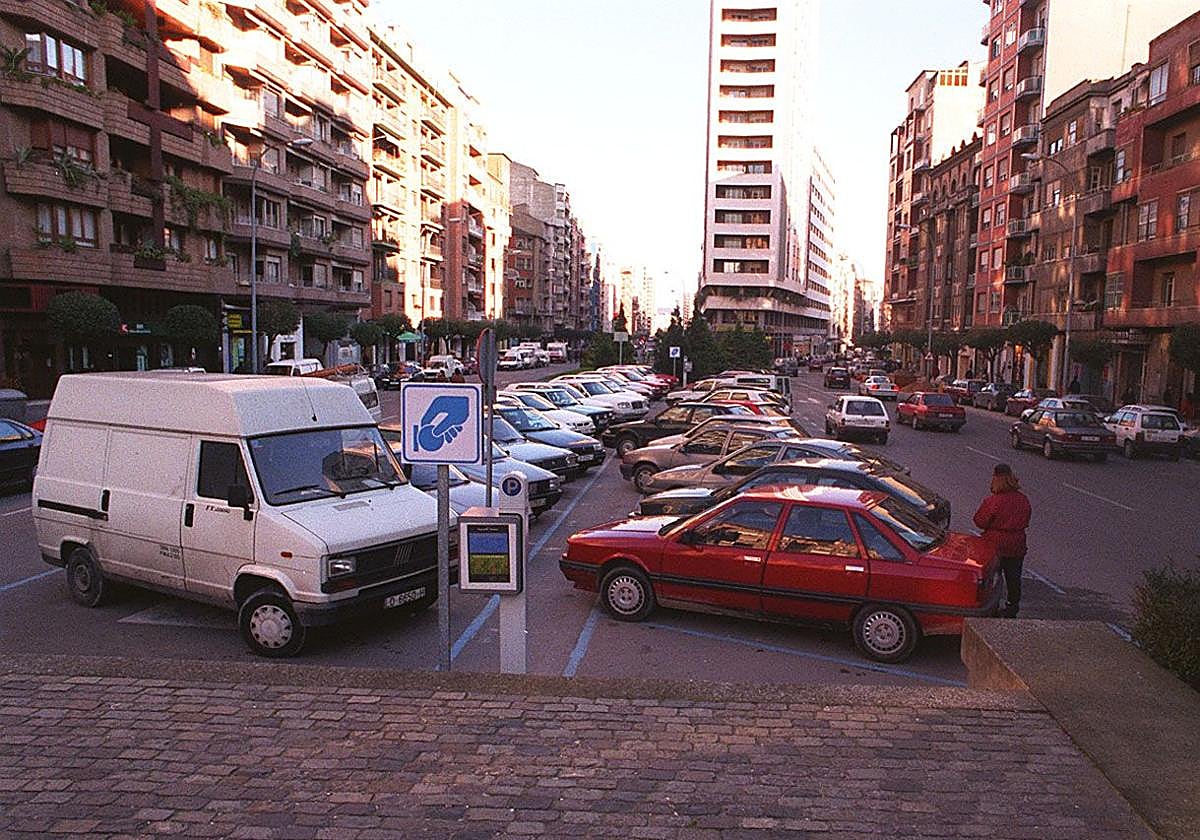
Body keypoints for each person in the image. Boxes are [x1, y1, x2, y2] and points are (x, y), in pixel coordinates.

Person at [973, 463, 1032, 618]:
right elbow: (1027, 517)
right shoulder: (1023, 499)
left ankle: (992, 605)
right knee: (1014, 577)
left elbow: (980, 521)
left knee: (993, 577)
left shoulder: (993, 501)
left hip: (995, 545)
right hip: (1017, 544)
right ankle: (1012, 606)